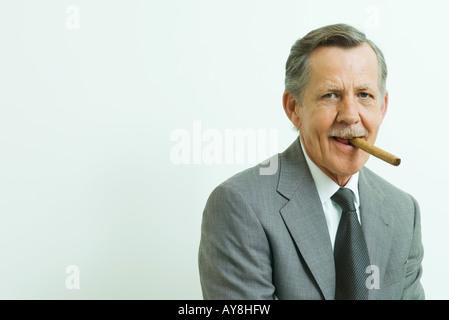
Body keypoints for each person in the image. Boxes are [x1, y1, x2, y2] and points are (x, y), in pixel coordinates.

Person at [198, 23, 424, 300]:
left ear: (382, 106)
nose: (350, 115)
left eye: (364, 95)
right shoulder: (239, 206)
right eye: (331, 95)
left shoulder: (403, 212)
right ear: (294, 109)